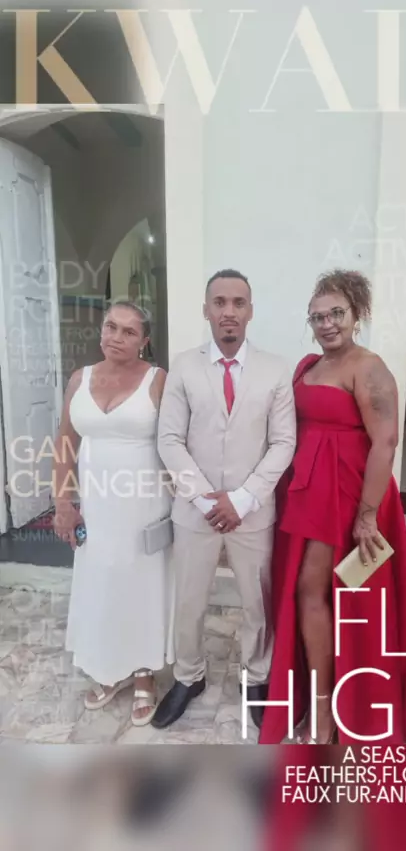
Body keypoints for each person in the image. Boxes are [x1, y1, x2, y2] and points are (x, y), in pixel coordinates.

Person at [259, 269, 406, 744]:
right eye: (317, 317)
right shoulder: (309, 366)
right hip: (308, 492)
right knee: (309, 592)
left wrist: (367, 515)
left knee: (330, 595)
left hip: (351, 494)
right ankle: (320, 699)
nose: (327, 323)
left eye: (336, 313)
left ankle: (331, 708)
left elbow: (386, 442)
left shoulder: (368, 367)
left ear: (357, 313)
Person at [151, 269, 296, 730]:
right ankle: (188, 676)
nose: (228, 311)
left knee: (256, 602)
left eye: (238, 302)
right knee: (190, 600)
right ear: (206, 310)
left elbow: (284, 442)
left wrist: (243, 498)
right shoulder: (183, 366)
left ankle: (256, 676)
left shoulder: (276, 369)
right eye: (219, 302)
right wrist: (203, 499)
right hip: (194, 512)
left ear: (250, 311)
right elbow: (169, 439)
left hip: (252, 512)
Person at [53, 300, 175, 727]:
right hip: (96, 505)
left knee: (141, 584)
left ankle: (143, 673)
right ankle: (107, 668)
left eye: (128, 331)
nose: (116, 337)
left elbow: (176, 442)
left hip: (145, 503)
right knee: (100, 582)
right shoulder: (79, 379)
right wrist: (63, 503)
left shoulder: (158, 380)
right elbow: (65, 443)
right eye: (110, 327)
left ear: (144, 341)